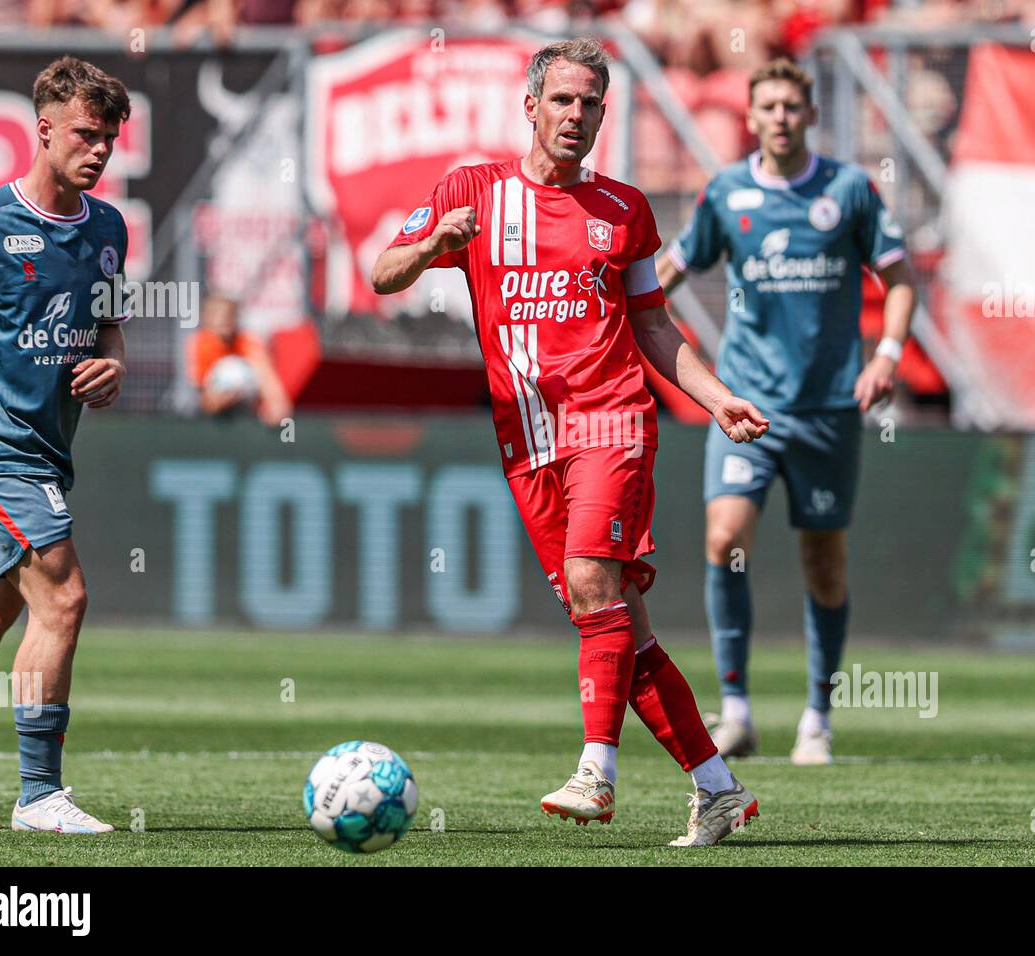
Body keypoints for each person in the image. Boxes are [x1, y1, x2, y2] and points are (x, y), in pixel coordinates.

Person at [372, 38, 770, 847]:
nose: (577, 116)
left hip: (611, 421)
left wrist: (719, 397)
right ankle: (716, 786)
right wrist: (429, 246)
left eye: (591, 103)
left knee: (595, 584)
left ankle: (597, 768)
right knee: (621, 625)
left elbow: (654, 327)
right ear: (530, 105)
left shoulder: (625, 210)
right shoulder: (473, 191)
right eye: (563, 100)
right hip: (527, 441)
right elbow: (383, 273)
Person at [656, 57, 917, 765]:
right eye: (766, 105)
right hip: (746, 402)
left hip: (829, 408)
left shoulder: (849, 191)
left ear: (809, 115)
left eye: (790, 106)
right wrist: (619, 304)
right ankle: (736, 710)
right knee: (724, 539)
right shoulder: (726, 193)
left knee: (823, 564)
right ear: (751, 115)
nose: (779, 117)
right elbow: (671, 270)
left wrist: (887, 354)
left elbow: (898, 278)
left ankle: (818, 718)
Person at [0, 57, 132, 833]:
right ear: (44, 129)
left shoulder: (109, 229)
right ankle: (39, 795)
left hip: (46, 452)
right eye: (87, 134)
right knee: (65, 596)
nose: (100, 150)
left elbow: (112, 320)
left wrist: (113, 362)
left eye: (111, 138)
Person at [186, 294, 293, 425]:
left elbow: (267, 377)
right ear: (206, 318)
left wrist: (276, 405)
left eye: (229, 315)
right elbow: (202, 396)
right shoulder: (200, 344)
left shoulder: (248, 342)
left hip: (250, 414)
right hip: (209, 418)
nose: (224, 320)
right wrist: (218, 401)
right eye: (217, 314)